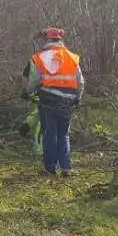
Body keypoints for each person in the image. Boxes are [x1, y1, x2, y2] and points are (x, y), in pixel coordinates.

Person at [24, 27, 84, 176]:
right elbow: (81, 82)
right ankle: (66, 168)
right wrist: (78, 97)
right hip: (68, 100)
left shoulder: (40, 57)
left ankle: (50, 168)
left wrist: (28, 92)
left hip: (48, 100)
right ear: (60, 40)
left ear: (47, 40)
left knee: (50, 134)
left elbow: (35, 80)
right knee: (64, 134)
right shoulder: (72, 57)